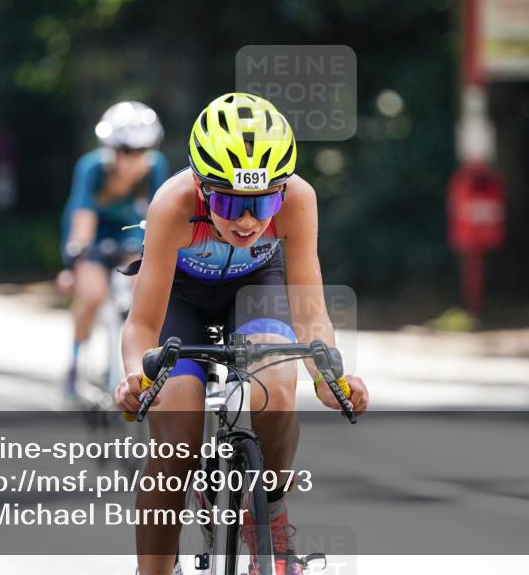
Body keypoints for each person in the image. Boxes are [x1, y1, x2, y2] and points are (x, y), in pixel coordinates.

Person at [115, 93, 370, 575]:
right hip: (181, 297)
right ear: (201, 187)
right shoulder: (173, 201)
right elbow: (143, 325)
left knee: (275, 386)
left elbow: (311, 313)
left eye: (264, 202)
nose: (248, 221)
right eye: (230, 203)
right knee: (177, 437)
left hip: (257, 287)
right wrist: (136, 378)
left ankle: (270, 520)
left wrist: (329, 378)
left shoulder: (299, 199)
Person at [58, 101, 169, 397]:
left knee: (143, 292)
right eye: (123, 150)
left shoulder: (156, 167)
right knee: (92, 295)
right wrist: (74, 264)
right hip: (91, 237)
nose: (131, 158)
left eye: (140, 150)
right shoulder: (92, 167)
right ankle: (74, 362)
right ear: (111, 148)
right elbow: (83, 217)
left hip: (130, 235)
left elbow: (158, 214)